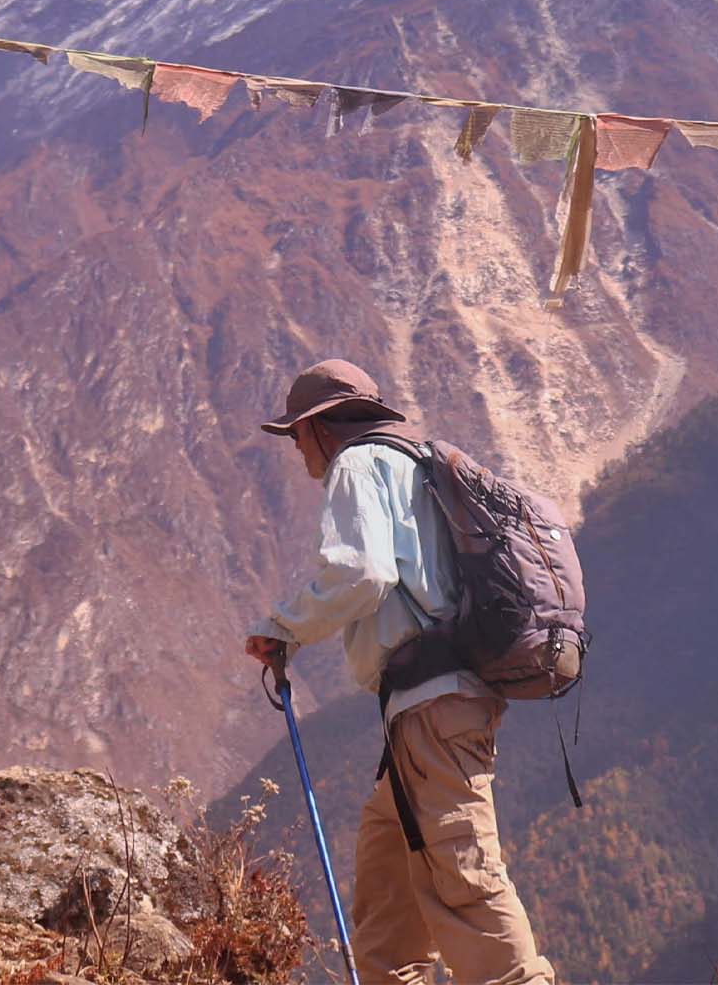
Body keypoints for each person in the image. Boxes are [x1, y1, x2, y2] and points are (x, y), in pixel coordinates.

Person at [245, 358, 554, 985]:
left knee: (467, 880)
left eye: (297, 433)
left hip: (431, 709)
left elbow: (364, 571)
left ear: (322, 428)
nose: (297, 447)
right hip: (434, 705)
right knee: (388, 875)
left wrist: (284, 628)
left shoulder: (356, 465)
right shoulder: (415, 466)